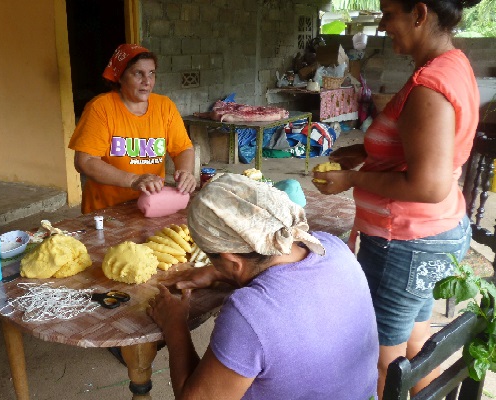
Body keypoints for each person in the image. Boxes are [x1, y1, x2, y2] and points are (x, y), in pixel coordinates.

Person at [313, 0, 481, 397]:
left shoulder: (429, 87)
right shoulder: (452, 65)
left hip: (405, 242)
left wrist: (354, 178)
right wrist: (372, 156)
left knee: (382, 356)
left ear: (419, 13)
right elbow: (423, 153)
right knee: (415, 345)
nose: (384, 25)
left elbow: (428, 185)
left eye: (389, 14)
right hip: (432, 233)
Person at [147, 173, 379, 400]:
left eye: (213, 259)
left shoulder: (249, 312)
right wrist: (221, 272)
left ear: (232, 260)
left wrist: (175, 325)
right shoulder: (330, 245)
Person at [68, 44, 196, 214]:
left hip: (152, 204)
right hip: (107, 209)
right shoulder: (100, 108)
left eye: (152, 73)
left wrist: (185, 172)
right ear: (120, 77)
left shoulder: (165, 107)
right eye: (138, 73)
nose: (147, 81)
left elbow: (183, 148)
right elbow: (85, 161)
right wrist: (133, 180)